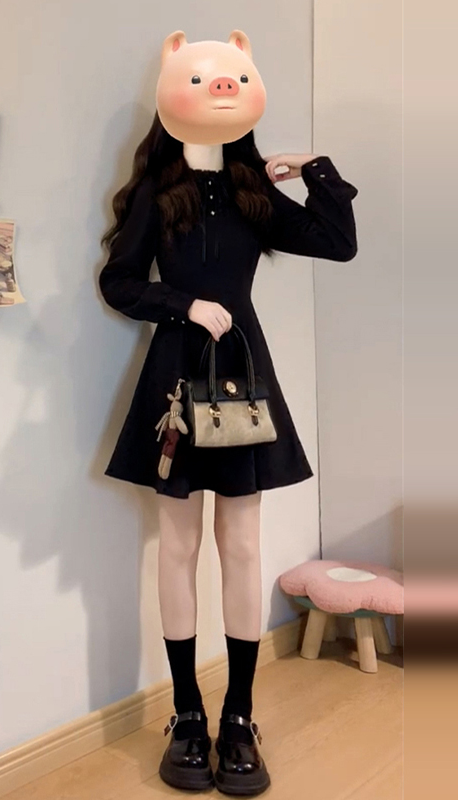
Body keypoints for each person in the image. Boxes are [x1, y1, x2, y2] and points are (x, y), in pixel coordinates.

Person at [99, 29, 358, 796]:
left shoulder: (253, 193)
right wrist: (183, 304)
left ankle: (239, 716)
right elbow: (118, 281)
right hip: (178, 377)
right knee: (176, 547)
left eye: (234, 77)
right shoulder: (159, 191)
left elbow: (336, 242)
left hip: (242, 375)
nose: (221, 88)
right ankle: (187, 716)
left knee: (240, 546)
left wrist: (314, 170)